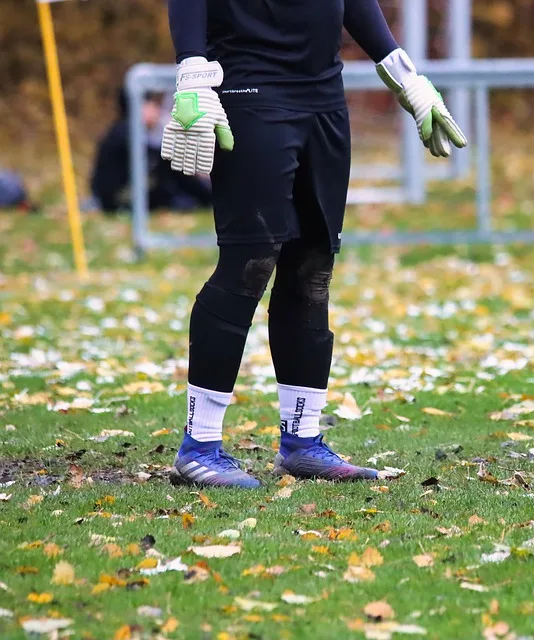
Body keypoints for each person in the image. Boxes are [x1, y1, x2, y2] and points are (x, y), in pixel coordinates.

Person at [162, 0, 466, 487]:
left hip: (323, 98)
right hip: (250, 91)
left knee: (312, 268)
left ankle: (301, 443)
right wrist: (192, 70)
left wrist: (403, 71)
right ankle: (199, 447)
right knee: (250, 263)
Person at [90, 89, 213, 213]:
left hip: (118, 195)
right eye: (152, 105)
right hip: (116, 199)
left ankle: (206, 196)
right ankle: (209, 197)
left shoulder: (125, 130)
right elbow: (163, 158)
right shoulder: (124, 133)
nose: (156, 110)